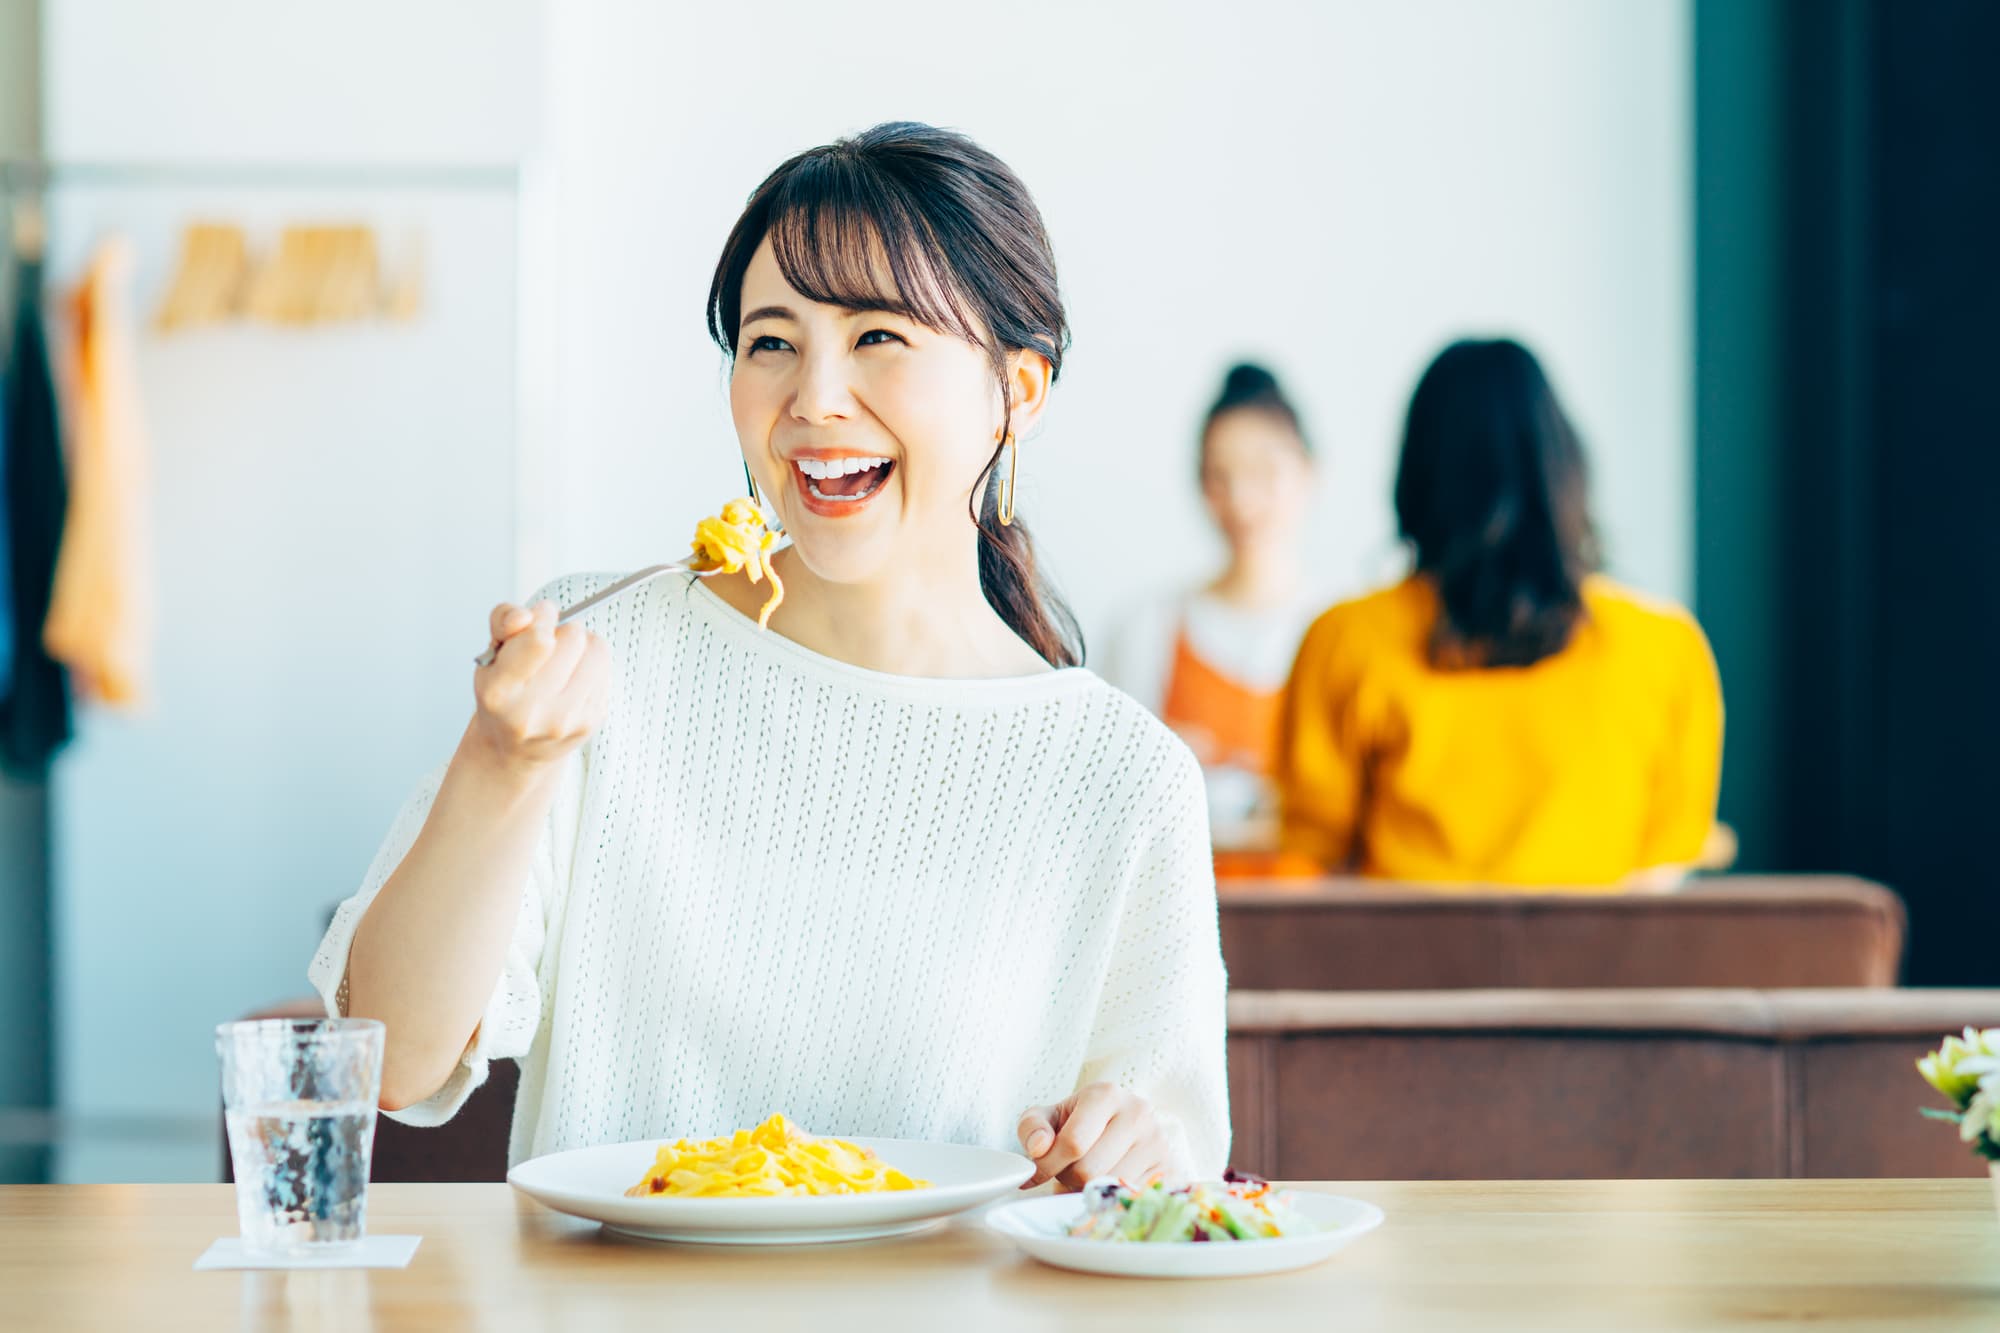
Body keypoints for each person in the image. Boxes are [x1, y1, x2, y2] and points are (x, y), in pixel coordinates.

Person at [308, 123, 1228, 1188]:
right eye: (771, 341)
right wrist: (498, 765)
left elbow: (1168, 1176)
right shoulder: (597, 656)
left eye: (878, 336)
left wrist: (1130, 1151)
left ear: (1015, 390)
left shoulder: (1121, 775)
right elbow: (391, 1057)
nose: (812, 400)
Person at [1276, 338, 1722, 889]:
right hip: (1604, 972)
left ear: (1416, 471)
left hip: (1399, 970)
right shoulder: (1666, 647)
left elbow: (1316, 858)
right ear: (1567, 466)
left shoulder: (1344, 639)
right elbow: (1661, 869)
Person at [1107, 364, 1321, 858]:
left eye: (1264, 473)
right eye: (1219, 476)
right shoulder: (1149, 630)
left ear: (1310, 473)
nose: (1241, 500)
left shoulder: (1341, 632)